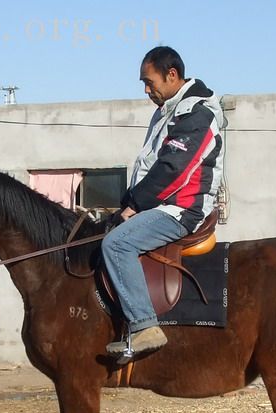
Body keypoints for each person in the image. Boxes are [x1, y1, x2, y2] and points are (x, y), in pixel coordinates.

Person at [102, 46, 224, 356]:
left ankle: (144, 326)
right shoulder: (169, 109)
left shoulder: (198, 112)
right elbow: (150, 164)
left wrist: (136, 205)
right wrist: (128, 200)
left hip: (183, 208)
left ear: (171, 75)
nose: (146, 90)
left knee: (116, 245)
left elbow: (173, 168)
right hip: (162, 204)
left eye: (149, 81)